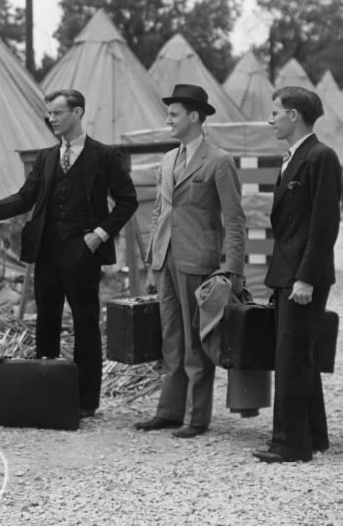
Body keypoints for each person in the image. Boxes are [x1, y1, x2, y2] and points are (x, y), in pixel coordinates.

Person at [0, 89, 137, 418]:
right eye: (49, 114)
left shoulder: (104, 156)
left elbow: (127, 201)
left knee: (86, 323)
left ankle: (85, 402)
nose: (52, 119)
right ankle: (47, 394)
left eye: (58, 113)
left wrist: (100, 234)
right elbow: (26, 196)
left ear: (77, 113)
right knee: (46, 322)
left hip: (83, 251)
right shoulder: (47, 158)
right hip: (47, 252)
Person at [135, 84, 246, 438]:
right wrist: (153, 257)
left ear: (194, 116)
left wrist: (233, 270)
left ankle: (196, 418)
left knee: (197, 341)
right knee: (171, 337)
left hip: (199, 262)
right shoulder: (168, 160)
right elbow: (158, 212)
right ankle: (169, 411)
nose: (168, 119)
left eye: (174, 114)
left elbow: (235, 220)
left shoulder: (220, 161)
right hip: (166, 260)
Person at [253, 86, 341, 463]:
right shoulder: (292, 157)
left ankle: (289, 445)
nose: (270, 118)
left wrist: (306, 277)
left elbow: (324, 224)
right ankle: (313, 436)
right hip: (287, 271)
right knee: (299, 355)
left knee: (292, 358)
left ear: (294, 116)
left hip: (303, 275)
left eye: (276, 112)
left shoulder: (321, 157)